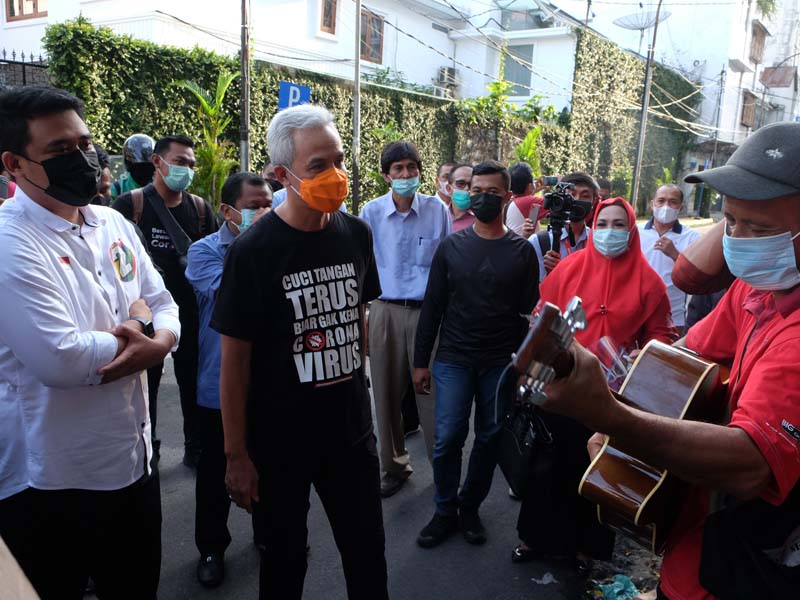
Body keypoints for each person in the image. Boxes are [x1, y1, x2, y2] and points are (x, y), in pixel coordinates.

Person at [533, 121, 800, 599]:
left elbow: (750, 464)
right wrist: (628, 396)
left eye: (760, 228)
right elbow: (688, 338)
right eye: (731, 220)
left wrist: (609, 414)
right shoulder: (757, 287)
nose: (737, 238)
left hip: (748, 572)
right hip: (694, 548)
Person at [0, 85, 180, 599]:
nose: (82, 159)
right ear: (14, 163)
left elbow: (165, 302)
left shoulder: (112, 223)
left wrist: (159, 334)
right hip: (50, 483)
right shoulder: (10, 242)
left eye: (84, 144)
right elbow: (62, 357)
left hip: (133, 462)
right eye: (60, 151)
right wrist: (147, 335)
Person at [213, 104, 388, 600]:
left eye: (338, 160)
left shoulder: (355, 233)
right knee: (284, 567)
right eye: (318, 166)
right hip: (279, 447)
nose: (334, 175)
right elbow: (235, 363)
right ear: (281, 174)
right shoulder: (253, 252)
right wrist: (236, 456)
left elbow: (358, 313)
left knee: (368, 561)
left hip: (351, 437)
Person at [514, 197, 675, 574]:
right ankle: (533, 537)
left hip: (610, 396)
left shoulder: (648, 282)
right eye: (602, 224)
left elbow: (663, 335)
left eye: (619, 225)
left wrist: (646, 354)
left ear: (633, 231)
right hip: (559, 384)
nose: (608, 233)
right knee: (547, 465)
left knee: (595, 469)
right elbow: (542, 318)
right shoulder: (569, 268)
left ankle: (586, 548)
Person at [413, 160, 539, 548]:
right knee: (448, 436)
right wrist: (420, 362)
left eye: (492, 192)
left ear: (508, 197)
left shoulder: (522, 253)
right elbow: (432, 306)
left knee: (489, 437)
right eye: (476, 190)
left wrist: (523, 367)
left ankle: (470, 508)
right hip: (453, 358)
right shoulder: (450, 247)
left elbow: (526, 316)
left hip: (499, 365)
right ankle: (444, 508)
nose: (483, 198)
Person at [185, 172, 272, 588]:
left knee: (272, 467)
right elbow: (237, 302)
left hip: (272, 384)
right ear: (227, 210)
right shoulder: (204, 252)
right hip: (219, 384)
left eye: (270, 205)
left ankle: (268, 536)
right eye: (256, 206)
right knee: (217, 473)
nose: (265, 213)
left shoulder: (279, 244)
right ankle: (211, 547)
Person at [113, 135, 218, 468]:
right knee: (147, 382)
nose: (186, 169)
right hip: (145, 312)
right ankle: (149, 444)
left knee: (192, 379)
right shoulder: (130, 205)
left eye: (190, 163)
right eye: (179, 162)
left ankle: (195, 445)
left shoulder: (200, 209)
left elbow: (211, 256)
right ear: (157, 162)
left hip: (189, 310)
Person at [359, 140, 452, 498]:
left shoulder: (437, 210)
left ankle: (442, 471)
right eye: (398, 169)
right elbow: (364, 268)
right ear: (386, 175)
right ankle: (394, 466)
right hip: (383, 311)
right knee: (384, 395)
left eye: (411, 167)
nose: (406, 174)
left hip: (427, 315)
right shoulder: (370, 213)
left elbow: (444, 267)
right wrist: (364, 321)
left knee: (430, 394)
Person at [638, 184, 701, 333]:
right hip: (637, 312)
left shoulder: (692, 237)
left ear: (680, 207)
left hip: (673, 316)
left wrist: (675, 254)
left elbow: (696, 277)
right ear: (653, 203)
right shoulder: (636, 232)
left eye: (672, 202)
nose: (666, 206)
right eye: (661, 200)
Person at [528, 171, 597, 283]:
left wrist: (562, 269)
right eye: (572, 195)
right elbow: (532, 290)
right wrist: (552, 274)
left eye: (585, 196)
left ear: (593, 202)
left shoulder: (596, 242)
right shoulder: (539, 242)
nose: (577, 200)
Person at [110, 133, 155, 201]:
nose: (143, 167)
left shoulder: (160, 187)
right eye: (133, 158)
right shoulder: (117, 189)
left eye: (147, 163)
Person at [505, 162, 544, 237]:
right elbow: (557, 203)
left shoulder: (512, 200)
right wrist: (560, 181)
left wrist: (533, 190)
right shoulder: (527, 201)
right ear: (529, 185)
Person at [446, 162, 476, 232]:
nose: (466, 188)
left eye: (471, 184)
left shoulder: (482, 221)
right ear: (449, 189)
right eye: (460, 184)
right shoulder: (439, 216)